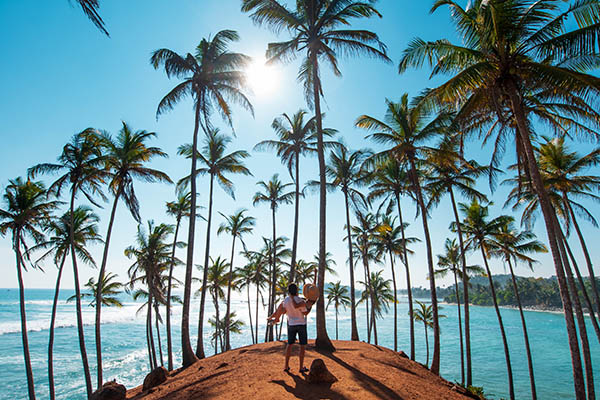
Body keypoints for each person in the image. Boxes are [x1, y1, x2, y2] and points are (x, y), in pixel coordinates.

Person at [267, 283, 315, 373]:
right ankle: (301, 367)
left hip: (291, 324)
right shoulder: (300, 300)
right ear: (296, 290)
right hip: (301, 324)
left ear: (289, 291)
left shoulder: (285, 300)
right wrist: (310, 307)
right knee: (302, 346)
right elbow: (305, 313)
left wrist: (274, 317)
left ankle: (286, 366)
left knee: (289, 345)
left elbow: (281, 310)